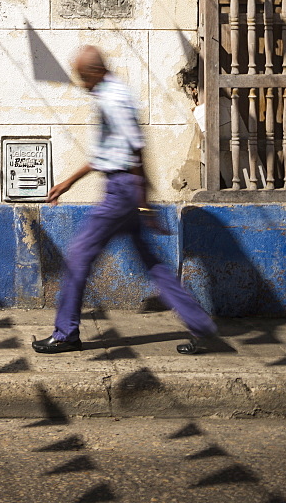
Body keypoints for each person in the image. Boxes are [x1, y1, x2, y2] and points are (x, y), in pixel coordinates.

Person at [32, 45, 216, 356]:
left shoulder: (113, 98)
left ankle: (66, 333)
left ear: (94, 73)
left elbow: (134, 150)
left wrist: (143, 204)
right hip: (124, 189)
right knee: (153, 264)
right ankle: (201, 326)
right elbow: (107, 153)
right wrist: (67, 183)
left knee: (78, 257)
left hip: (121, 192)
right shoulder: (112, 94)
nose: (82, 84)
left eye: (82, 77)